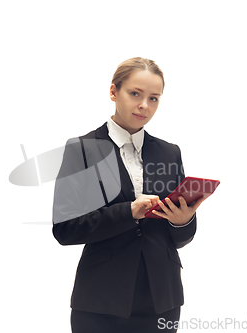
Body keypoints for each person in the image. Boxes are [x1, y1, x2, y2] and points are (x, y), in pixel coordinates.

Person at [52, 57, 205, 333]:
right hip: (101, 301)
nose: (144, 105)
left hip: (162, 300)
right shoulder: (82, 150)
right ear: (114, 92)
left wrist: (182, 222)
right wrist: (129, 212)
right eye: (135, 93)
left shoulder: (169, 153)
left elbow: (179, 240)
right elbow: (65, 229)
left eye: (154, 98)